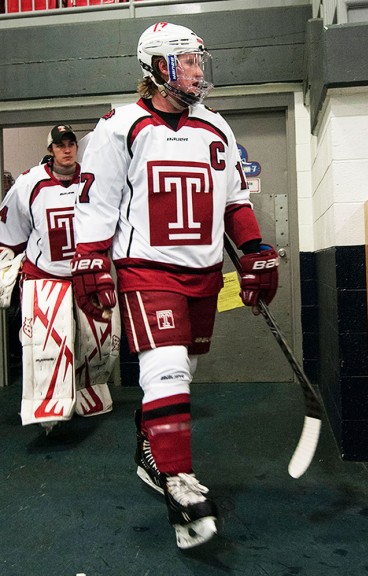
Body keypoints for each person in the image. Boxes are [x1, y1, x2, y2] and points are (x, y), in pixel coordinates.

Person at [71, 22, 278, 549]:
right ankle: (179, 483)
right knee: (165, 369)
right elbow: (97, 201)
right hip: (148, 268)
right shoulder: (122, 126)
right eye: (187, 60)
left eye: (198, 59)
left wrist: (255, 252)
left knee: (180, 369)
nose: (197, 69)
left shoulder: (215, 126)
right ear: (157, 67)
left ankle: (150, 449)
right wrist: (92, 258)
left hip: (204, 271)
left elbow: (234, 199)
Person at [0, 124, 120, 433]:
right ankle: (48, 409)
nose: (66, 150)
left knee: (99, 343)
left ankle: (90, 393)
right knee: (47, 345)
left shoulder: (92, 179)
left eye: (70, 144)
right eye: (59, 145)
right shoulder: (29, 183)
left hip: (88, 272)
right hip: (46, 275)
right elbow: (9, 230)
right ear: (50, 150)